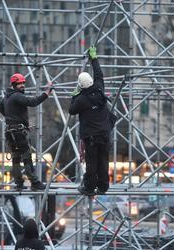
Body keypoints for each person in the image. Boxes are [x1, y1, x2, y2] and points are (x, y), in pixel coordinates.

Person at [69, 46, 113, 196]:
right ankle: (103, 186)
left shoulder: (81, 99)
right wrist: (94, 58)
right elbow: (99, 74)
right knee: (103, 161)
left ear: (81, 86)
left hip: (91, 136)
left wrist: (74, 96)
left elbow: (71, 110)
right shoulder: (99, 89)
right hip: (105, 133)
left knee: (92, 163)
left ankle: (89, 187)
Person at [0, 73, 53, 190]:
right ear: (14, 84)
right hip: (18, 133)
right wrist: (46, 93)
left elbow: (0, 107)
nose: (22, 85)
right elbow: (33, 102)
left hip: (11, 132)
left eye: (23, 83)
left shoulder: (7, 96)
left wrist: (12, 119)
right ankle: (35, 182)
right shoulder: (17, 96)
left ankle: (19, 183)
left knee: (16, 158)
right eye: (19, 84)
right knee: (27, 158)